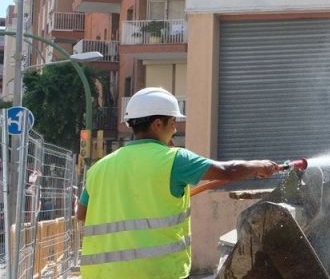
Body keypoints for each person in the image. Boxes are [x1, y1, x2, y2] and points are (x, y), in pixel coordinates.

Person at [75, 87, 281, 278]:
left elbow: (82, 214)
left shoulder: (98, 168)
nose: (174, 131)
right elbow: (227, 171)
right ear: (157, 124)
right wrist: (259, 165)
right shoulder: (173, 160)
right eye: (173, 123)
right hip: (156, 273)